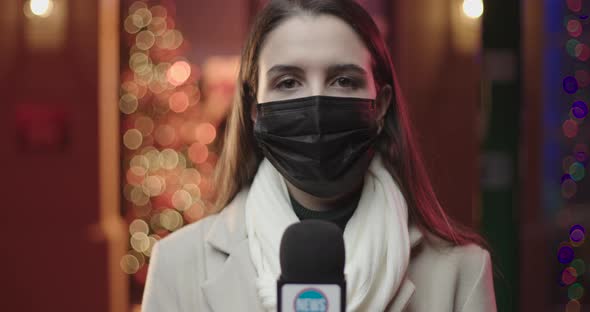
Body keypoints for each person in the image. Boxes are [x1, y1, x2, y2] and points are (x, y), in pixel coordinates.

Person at [142, 0, 497, 311]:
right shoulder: (179, 265)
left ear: (380, 105)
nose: (315, 105)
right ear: (254, 109)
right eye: (288, 82)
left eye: (343, 80)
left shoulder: (459, 272)